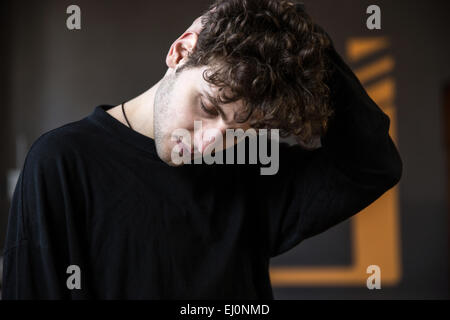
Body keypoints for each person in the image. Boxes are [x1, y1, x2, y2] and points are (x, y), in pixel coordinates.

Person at [2, 0, 402, 299]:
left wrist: (296, 37)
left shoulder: (248, 172)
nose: (210, 143)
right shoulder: (61, 163)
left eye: (240, 131)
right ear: (180, 51)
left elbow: (372, 165)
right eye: (208, 106)